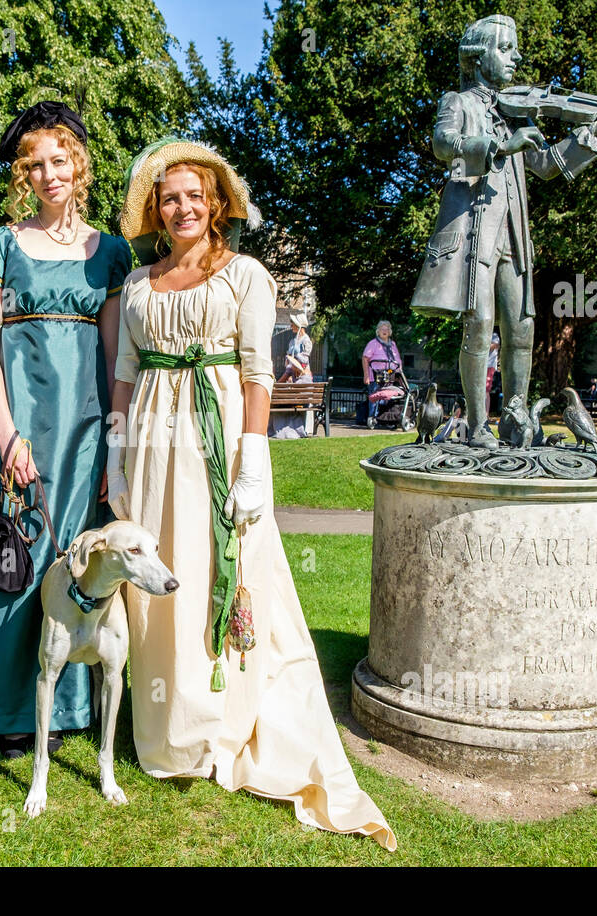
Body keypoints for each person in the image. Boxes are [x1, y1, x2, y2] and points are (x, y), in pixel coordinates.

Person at [107, 138, 397, 846]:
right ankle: (165, 728)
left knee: (219, 567)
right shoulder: (137, 286)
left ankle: (221, 725)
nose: (182, 207)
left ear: (216, 206)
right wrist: (115, 452)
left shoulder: (246, 274)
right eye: (169, 197)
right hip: (148, 441)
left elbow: (256, 373)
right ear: (155, 207)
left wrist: (254, 459)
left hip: (216, 438)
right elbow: (122, 368)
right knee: (156, 578)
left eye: (194, 197)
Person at [0, 102, 133, 759]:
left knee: (68, 561)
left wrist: (116, 441)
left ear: (80, 162)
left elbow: (112, 357)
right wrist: (7, 434)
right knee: (6, 563)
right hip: (13, 431)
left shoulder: (109, 254)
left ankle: (72, 702)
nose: (50, 174)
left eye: (60, 160)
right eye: (36, 164)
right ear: (24, 174)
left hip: (82, 439)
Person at [410, 14, 597, 448]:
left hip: (514, 238)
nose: (515, 58)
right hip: (475, 237)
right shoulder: (459, 102)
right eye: (506, 49)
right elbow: (445, 147)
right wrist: (496, 146)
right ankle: (477, 427)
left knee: (522, 330)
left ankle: (515, 418)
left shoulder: (514, 113)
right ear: (477, 58)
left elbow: (549, 165)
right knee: (479, 326)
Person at [268, 313, 313, 438]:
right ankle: (283, 428)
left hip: (301, 377)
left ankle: (285, 429)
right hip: (293, 377)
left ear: (299, 325)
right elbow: (289, 365)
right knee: (282, 397)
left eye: (293, 323)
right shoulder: (292, 341)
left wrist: (292, 361)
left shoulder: (306, 341)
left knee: (283, 398)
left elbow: (303, 361)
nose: (291, 325)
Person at [362, 320, 403, 427]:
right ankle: (373, 419)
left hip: (390, 376)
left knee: (389, 398)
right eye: (382, 329)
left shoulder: (393, 344)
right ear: (378, 331)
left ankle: (386, 420)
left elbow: (398, 360)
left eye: (387, 329)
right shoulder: (373, 344)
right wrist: (366, 375)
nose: (384, 331)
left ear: (390, 332)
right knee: (375, 397)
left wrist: (399, 374)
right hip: (376, 376)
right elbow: (365, 358)